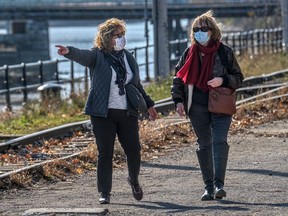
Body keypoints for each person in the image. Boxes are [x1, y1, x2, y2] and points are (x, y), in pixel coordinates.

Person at [55, 18, 158, 204]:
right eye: (117, 35)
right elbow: (83, 55)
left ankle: (134, 180)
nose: (121, 39)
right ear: (107, 37)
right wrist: (69, 51)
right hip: (103, 114)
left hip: (128, 112)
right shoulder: (98, 55)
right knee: (105, 153)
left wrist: (149, 104)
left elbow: (136, 85)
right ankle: (104, 192)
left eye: (123, 35)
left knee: (134, 150)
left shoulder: (128, 57)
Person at [171, 11, 244, 201]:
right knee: (204, 144)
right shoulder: (189, 52)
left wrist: (223, 79)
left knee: (219, 141)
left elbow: (238, 78)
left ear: (213, 31)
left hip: (220, 104)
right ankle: (208, 187)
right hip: (197, 106)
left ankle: (219, 184)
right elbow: (178, 78)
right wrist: (178, 100)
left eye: (203, 29)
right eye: (196, 29)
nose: (199, 33)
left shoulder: (224, 51)